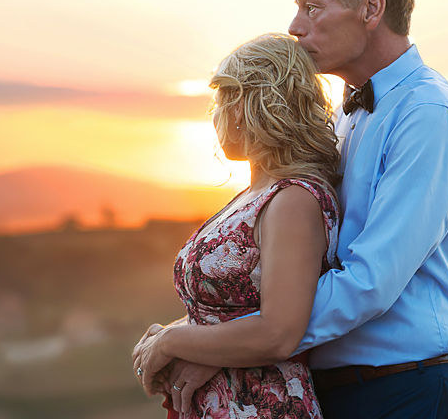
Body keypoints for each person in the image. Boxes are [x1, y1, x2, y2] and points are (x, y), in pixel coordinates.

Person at [137, 0, 448, 419]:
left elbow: (369, 282)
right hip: (338, 389)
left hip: (405, 390)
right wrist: (223, 344)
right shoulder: (348, 117)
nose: (295, 26)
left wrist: (213, 344)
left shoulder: (429, 114)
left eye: (311, 7)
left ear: (371, 9)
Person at [132, 33, 343, 418]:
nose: (215, 114)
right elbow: (235, 308)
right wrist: (171, 333)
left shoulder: (293, 199)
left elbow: (279, 332)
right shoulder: (257, 194)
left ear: (248, 105)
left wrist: (173, 342)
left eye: (221, 100)